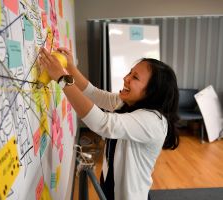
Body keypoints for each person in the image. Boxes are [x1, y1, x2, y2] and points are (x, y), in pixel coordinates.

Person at [38, 47, 179, 200]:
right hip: (109, 184)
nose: (126, 78)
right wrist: (70, 68)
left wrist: (62, 78)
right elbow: (93, 93)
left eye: (135, 77)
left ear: (152, 92)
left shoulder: (153, 121)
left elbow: (102, 123)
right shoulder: (127, 102)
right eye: (130, 72)